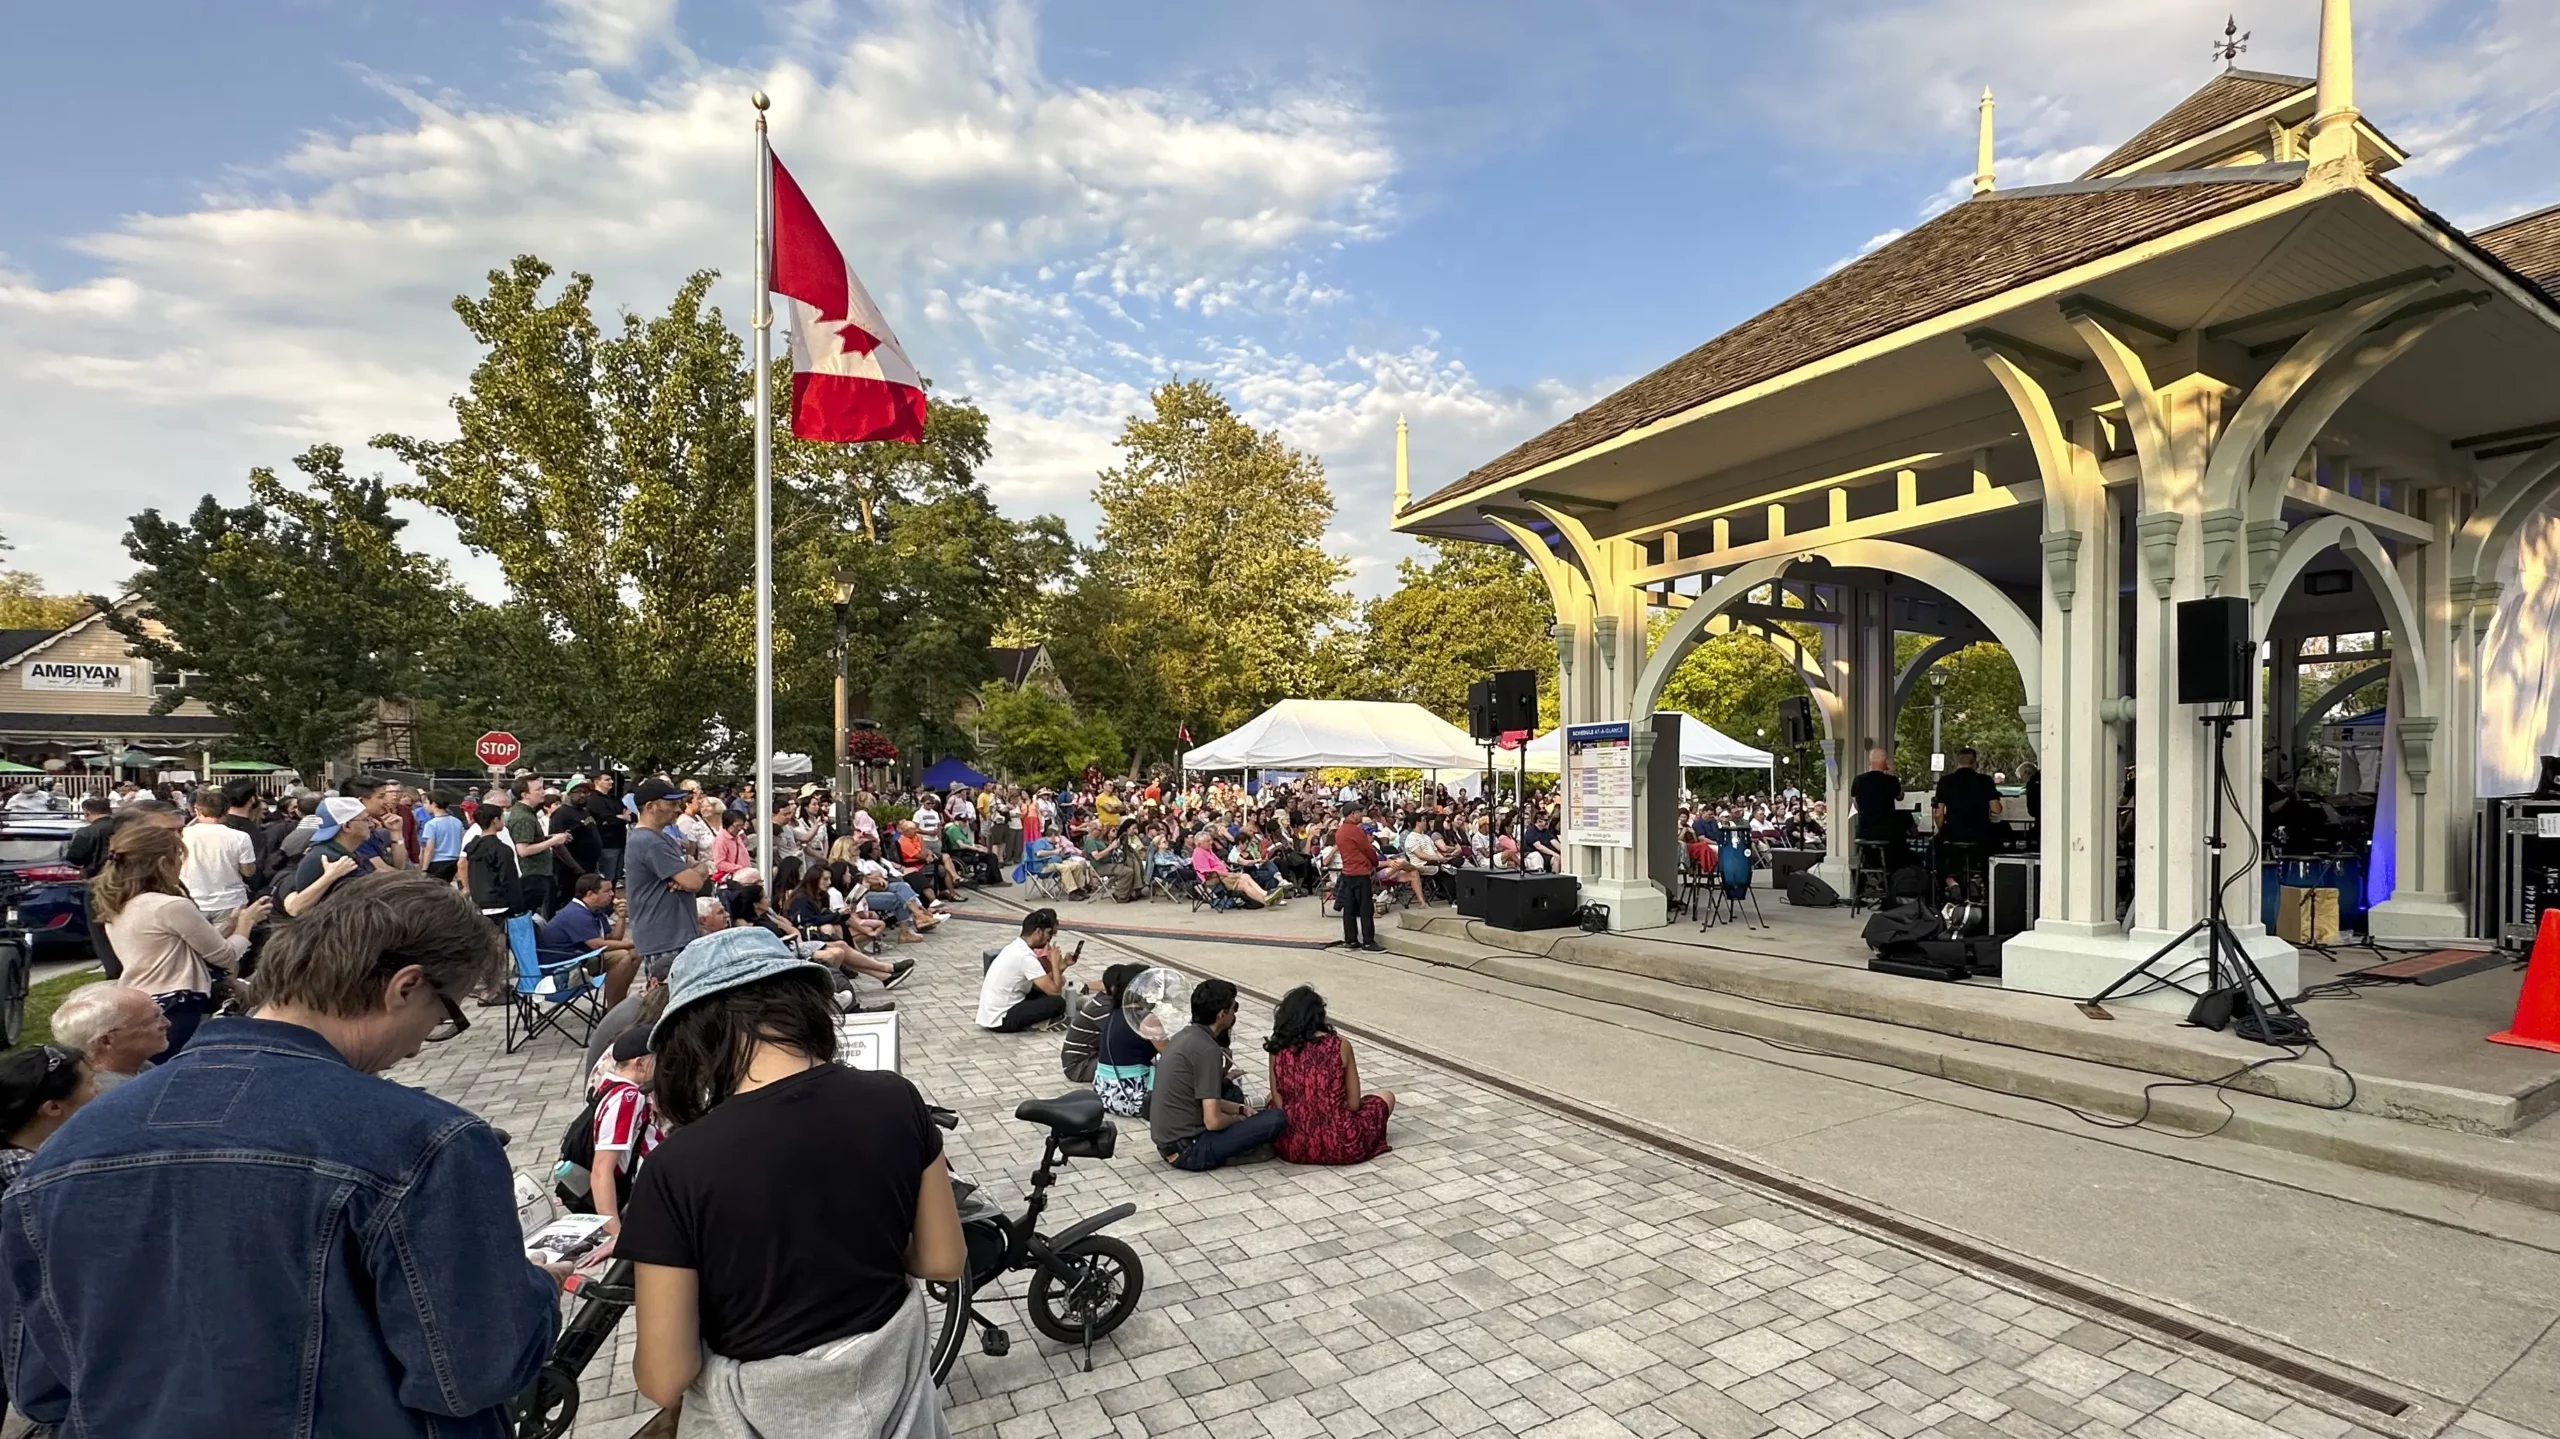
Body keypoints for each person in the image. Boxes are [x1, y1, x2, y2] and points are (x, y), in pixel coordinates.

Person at [0, 871, 559, 1436]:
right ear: (406, 986)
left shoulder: (59, 1153)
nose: (418, 1046)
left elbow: (40, 1387)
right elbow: (476, 1371)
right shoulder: (425, 1142)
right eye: (443, 1017)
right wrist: (532, 1288)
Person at [620, 927, 964, 1430]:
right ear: (804, 1002)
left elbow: (665, 1376)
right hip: (902, 1409)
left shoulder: (677, 1167)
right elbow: (942, 1260)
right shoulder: (896, 1098)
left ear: (693, 1032)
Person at [93, 821, 271, 1061]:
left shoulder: (118, 904)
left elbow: (175, 949)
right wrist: (246, 923)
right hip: (178, 1005)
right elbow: (226, 956)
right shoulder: (170, 906)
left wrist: (229, 925)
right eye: (179, 857)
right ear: (163, 863)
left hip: (140, 998)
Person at [1150, 979, 1283, 1171]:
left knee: (1237, 1099)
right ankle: (1228, 1154)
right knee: (1275, 1119)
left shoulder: (1183, 1036)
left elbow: (1198, 1098)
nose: (1235, 1012)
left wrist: (1240, 1109)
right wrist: (1240, 1121)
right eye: (1234, 1007)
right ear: (1222, 1014)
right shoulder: (1207, 1049)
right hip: (1190, 1150)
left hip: (1169, 1146)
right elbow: (1213, 1121)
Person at [1264, 986, 1394, 1166]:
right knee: (1386, 1097)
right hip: (1342, 1145)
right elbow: (1354, 1104)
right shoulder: (1340, 1045)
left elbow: (1279, 1103)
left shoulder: (1277, 1048)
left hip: (1293, 1147)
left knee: (1270, 1097)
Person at [626, 777, 711, 984]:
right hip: (664, 938)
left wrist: (696, 870)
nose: (678, 809)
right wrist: (692, 873)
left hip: (674, 934)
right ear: (650, 807)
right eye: (671, 804)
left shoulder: (662, 837)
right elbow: (694, 883)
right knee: (666, 1004)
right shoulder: (649, 841)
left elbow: (700, 867)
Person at [0, 1044, 99, 1190]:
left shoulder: (54, 1149)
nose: (98, 1087)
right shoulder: (31, 1173)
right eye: (90, 1083)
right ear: (54, 1108)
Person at [44, 983, 169, 1094]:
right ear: (106, 1041)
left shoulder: (137, 1066)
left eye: (159, 1014)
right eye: (151, 1020)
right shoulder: (117, 1094)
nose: (167, 1023)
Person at [546, 872, 642, 1011]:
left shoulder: (594, 910)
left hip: (582, 958)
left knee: (635, 953)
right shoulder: (576, 913)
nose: (612, 895)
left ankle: (619, 1002)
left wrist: (621, 917)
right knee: (622, 956)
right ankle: (613, 1008)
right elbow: (598, 945)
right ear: (590, 894)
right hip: (565, 967)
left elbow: (613, 939)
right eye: (607, 891)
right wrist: (636, 942)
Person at [977, 907, 1082, 1033]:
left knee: (1042, 993)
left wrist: (1063, 964)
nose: (1049, 939)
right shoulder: (1025, 957)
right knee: (1057, 1002)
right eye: (1048, 933)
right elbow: (1055, 991)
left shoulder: (1016, 947)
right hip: (1002, 1019)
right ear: (1038, 932)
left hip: (991, 1015)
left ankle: (1036, 1020)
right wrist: (1054, 962)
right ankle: (1038, 1024)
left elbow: (1043, 985)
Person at [180, 787, 257, 930]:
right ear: (227, 810)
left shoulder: (182, 834)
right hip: (231, 901)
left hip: (192, 900)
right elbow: (248, 871)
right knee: (231, 947)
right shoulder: (240, 837)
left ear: (197, 810)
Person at [1089, 965, 1159, 1117]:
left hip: (1104, 1093)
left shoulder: (1115, 1012)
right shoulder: (1145, 1017)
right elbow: (1171, 1053)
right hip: (1133, 1096)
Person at [1061, 961, 1141, 1084]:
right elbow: (1126, 1037)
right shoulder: (1103, 1008)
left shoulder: (1109, 1002)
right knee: (1134, 1061)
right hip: (1079, 1066)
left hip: (1091, 1057)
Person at [507, 775, 566, 917]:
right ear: (525, 795)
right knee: (530, 914)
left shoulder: (527, 813)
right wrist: (553, 841)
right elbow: (523, 850)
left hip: (537, 873)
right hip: (532, 875)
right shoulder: (523, 817)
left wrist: (550, 838)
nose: (543, 792)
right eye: (538, 789)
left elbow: (530, 840)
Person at [460, 799, 525, 922]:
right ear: (495, 820)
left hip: (478, 901)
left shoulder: (472, 847)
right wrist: (518, 907)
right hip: (499, 904)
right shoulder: (502, 849)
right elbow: (509, 880)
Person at [1849, 748, 1911, 869]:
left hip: (1864, 831)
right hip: (1887, 832)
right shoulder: (1891, 780)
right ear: (1885, 763)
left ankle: (1871, 871)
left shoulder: (1858, 780)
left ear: (1869, 761)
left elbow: (1856, 804)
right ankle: (1893, 873)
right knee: (1902, 841)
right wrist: (1893, 774)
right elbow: (1900, 797)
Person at [1333, 801, 1381, 951]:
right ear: (1353, 814)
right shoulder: (1355, 831)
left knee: (1349, 909)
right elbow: (1368, 850)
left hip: (1347, 873)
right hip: (1360, 873)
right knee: (1366, 908)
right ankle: (1368, 941)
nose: (1361, 815)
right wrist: (1374, 863)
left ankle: (1351, 940)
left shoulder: (1340, 831)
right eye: (1359, 812)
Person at [1931, 747, 2002, 842]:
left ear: (1956, 762)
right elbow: (1996, 809)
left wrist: (1941, 831)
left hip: (1954, 832)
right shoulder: (1986, 781)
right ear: (1975, 763)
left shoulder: (1945, 781)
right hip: (1981, 833)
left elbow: (1939, 813)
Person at [1190, 833, 1274, 907]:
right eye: (1208, 841)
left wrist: (1227, 870)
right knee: (1244, 882)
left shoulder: (1208, 850)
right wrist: (1228, 874)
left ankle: (1265, 895)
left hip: (1223, 876)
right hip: (1215, 880)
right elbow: (1209, 873)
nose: (1211, 842)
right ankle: (1266, 899)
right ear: (1200, 844)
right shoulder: (1198, 853)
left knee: (1245, 876)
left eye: (1210, 840)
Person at [421, 789, 469, 882]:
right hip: (454, 861)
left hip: (437, 862)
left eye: (426, 803)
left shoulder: (431, 824)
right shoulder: (457, 822)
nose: (424, 806)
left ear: (434, 804)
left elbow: (429, 849)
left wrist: (424, 869)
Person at [64, 795, 115, 876]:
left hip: (96, 877)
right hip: (126, 878)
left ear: (86, 812)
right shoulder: (126, 827)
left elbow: (75, 859)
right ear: (109, 810)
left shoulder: (86, 832)